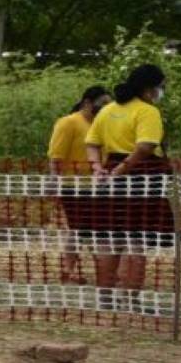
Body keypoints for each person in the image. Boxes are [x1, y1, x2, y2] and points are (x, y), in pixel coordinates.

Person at [84, 64, 171, 309]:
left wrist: (97, 168)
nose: (161, 91)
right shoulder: (148, 112)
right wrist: (123, 169)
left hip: (110, 171)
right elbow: (145, 147)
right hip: (141, 174)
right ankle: (130, 299)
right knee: (136, 240)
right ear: (148, 88)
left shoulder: (108, 110)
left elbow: (91, 143)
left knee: (108, 238)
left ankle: (105, 298)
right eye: (160, 86)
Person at [49, 85, 111, 284]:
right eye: (102, 104)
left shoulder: (102, 124)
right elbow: (55, 155)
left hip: (99, 185)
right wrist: (55, 181)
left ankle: (80, 269)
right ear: (87, 103)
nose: (105, 108)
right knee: (80, 229)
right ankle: (70, 270)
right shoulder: (68, 123)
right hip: (73, 185)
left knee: (89, 229)